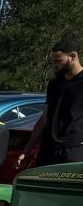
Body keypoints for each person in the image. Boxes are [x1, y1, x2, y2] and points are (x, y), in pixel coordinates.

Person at [22, 37, 83, 166]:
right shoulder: (55, 84)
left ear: (73, 56)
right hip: (48, 150)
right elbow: (44, 118)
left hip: (74, 150)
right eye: (53, 61)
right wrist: (26, 150)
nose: (55, 64)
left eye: (59, 61)